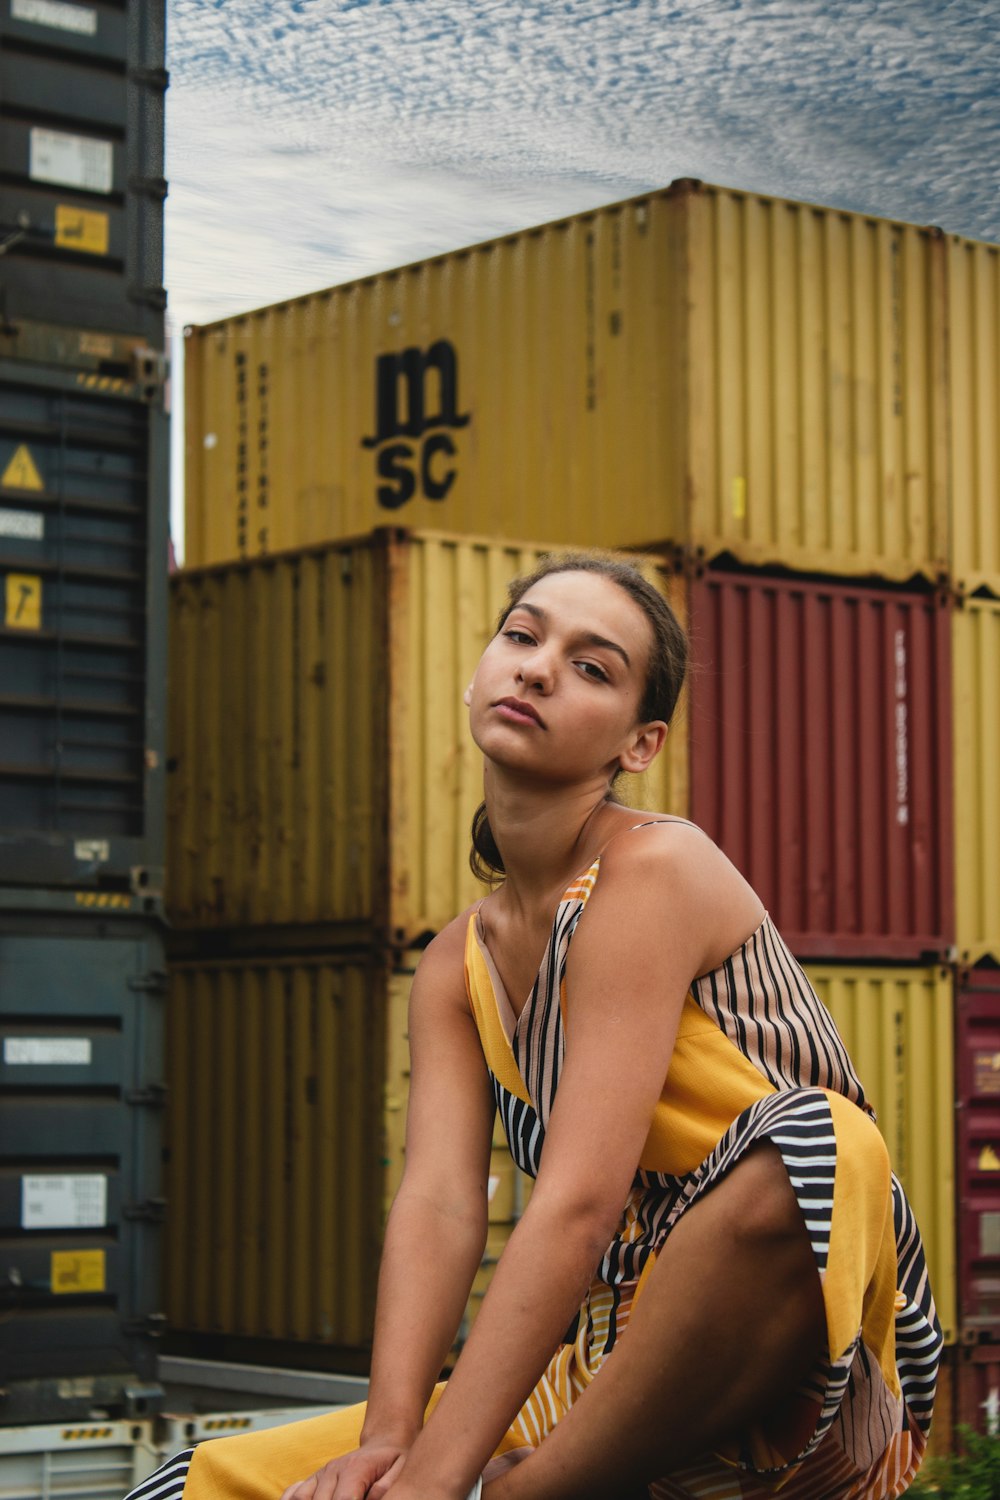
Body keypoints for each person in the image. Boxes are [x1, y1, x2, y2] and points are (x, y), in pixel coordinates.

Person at [133, 552, 940, 1500]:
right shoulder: (452, 966)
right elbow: (437, 1204)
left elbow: (577, 1202)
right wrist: (389, 1443)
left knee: (824, 1144)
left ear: (639, 746)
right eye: (522, 635)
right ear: (478, 672)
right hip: (598, 1356)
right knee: (196, 1483)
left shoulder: (654, 871)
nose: (537, 667)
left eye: (591, 666)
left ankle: (527, 1491)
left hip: (794, 1355)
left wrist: (439, 1481)